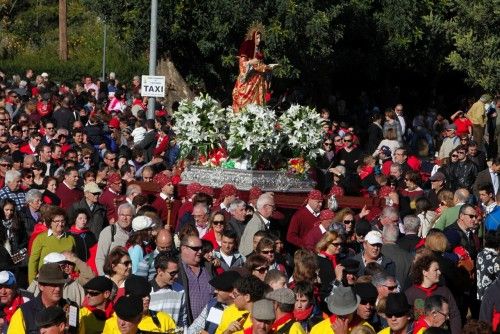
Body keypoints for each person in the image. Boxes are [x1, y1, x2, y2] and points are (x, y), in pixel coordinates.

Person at [404, 255, 461, 334]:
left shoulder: (444, 291)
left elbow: (454, 315)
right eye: (435, 270)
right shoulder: (411, 293)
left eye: (439, 269)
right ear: (425, 272)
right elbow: (407, 319)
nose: (439, 272)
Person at [8, 263, 68, 334]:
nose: (58, 289)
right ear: (41, 286)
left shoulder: (72, 310)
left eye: (60, 285)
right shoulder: (24, 313)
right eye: (53, 285)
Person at [232, 24, 274, 112]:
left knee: (258, 102)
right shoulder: (247, 46)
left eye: (260, 38)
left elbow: (260, 64)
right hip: (249, 79)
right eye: (257, 38)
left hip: (258, 80)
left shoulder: (259, 50)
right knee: (245, 101)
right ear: (252, 37)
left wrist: (267, 68)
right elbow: (242, 62)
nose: (259, 40)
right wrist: (251, 62)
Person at [28, 206, 76, 283]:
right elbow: (33, 261)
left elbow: (74, 261)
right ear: (50, 222)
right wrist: (32, 282)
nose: (60, 224)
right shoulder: (41, 238)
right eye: (57, 221)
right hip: (45, 279)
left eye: (62, 221)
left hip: (64, 279)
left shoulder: (70, 239)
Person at [177, 235, 215, 324]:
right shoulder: (175, 270)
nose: (200, 252)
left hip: (209, 326)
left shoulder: (208, 267)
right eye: (196, 249)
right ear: (184, 248)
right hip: (186, 326)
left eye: (201, 248)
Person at [149, 251, 187, 327]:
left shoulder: (180, 290)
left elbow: (182, 319)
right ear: (160, 271)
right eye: (172, 273)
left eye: (177, 272)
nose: (176, 276)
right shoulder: (147, 290)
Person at [95, 203, 134, 275]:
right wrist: (104, 278)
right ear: (118, 215)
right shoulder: (109, 231)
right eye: (122, 215)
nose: (124, 218)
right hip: (112, 277)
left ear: (133, 217)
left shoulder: (135, 233)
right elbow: (100, 258)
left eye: (128, 215)